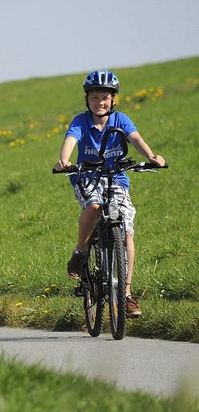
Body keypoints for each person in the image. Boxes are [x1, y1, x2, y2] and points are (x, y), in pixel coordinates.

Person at [54, 69, 166, 318]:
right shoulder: (80, 121)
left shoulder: (121, 120)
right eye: (95, 97)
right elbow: (71, 140)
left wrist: (151, 157)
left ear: (113, 99)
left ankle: (126, 293)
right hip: (88, 177)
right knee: (93, 207)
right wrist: (64, 160)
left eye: (105, 97)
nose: (100, 102)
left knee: (125, 231)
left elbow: (135, 138)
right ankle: (81, 251)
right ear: (87, 100)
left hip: (116, 179)